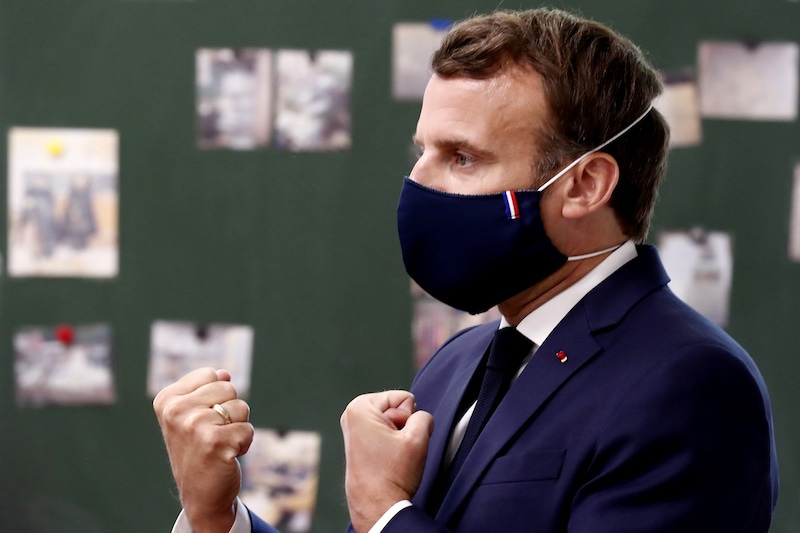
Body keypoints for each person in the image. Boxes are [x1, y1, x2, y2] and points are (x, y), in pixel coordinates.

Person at [154, 8, 779, 533]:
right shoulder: (461, 359)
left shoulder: (690, 383)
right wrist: (215, 516)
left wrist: (386, 513)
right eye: (420, 151)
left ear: (585, 184)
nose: (418, 183)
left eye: (462, 158)